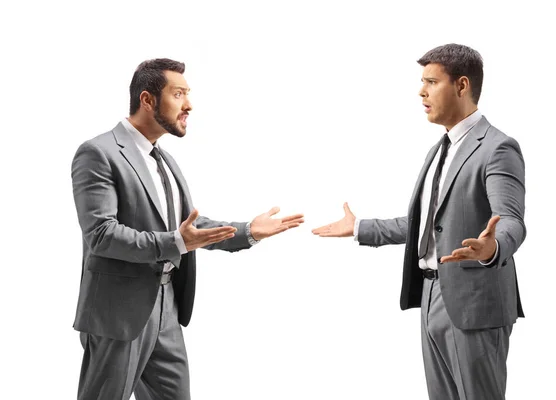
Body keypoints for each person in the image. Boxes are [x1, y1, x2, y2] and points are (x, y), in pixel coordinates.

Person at [71, 58, 304, 400]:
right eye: (178, 94)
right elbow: (102, 235)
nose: (189, 105)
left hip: (168, 308)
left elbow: (186, 227)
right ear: (147, 100)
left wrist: (247, 230)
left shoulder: (162, 159)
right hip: (118, 313)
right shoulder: (99, 153)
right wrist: (176, 242)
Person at [312, 44, 526, 400]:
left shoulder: (497, 147)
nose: (421, 91)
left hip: (474, 301)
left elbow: (512, 220)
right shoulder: (439, 149)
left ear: (461, 86)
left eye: (431, 81)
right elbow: (427, 225)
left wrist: (493, 247)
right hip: (431, 295)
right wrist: (359, 227)